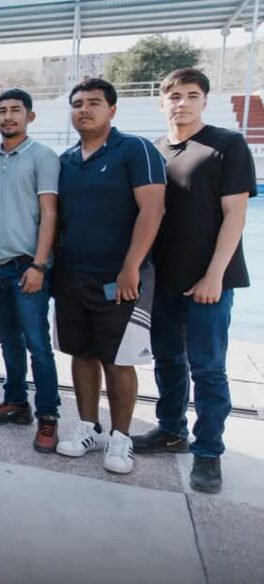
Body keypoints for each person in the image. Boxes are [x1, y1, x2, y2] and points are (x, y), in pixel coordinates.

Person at [132, 68, 256, 493]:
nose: (182, 102)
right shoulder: (152, 150)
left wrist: (214, 275)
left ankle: (209, 452)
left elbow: (235, 216)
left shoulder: (226, 145)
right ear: (161, 102)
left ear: (204, 100)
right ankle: (170, 430)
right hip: (163, 279)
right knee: (167, 360)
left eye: (192, 95)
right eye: (174, 96)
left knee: (208, 368)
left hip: (208, 282)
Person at [53, 78, 166, 475]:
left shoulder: (135, 149)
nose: (85, 109)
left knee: (118, 359)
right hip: (71, 276)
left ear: (112, 109)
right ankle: (88, 428)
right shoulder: (66, 160)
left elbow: (153, 211)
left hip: (120, 277)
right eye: (78, 103)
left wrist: (131, 266)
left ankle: (121, 438)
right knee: (81, 353)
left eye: (94, 103)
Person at [0, 89, 62, 452]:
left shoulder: (44, 157)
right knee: (7, 340)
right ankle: (16, 402)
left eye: (16, 110)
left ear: (30, 116)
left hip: (27, 266)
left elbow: (50, 214)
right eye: (2, 111)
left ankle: (48, 417)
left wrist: (40, 264)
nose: (9, 116)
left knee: (38, 345)